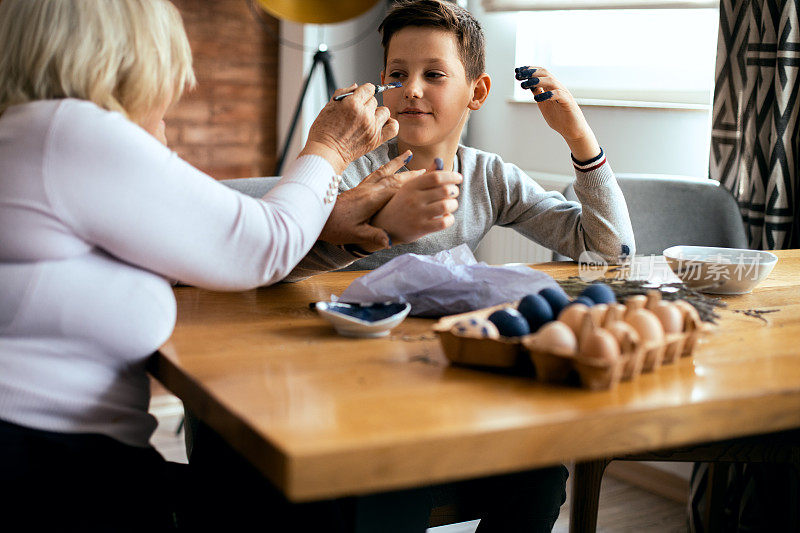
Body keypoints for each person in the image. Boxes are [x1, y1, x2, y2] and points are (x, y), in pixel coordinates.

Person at [0, 0, 461, 530]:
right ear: (122, 53)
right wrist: (331, 148)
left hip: (57, 457)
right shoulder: (68, 128)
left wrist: (331, 226)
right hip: (48, 472)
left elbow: (204, 250)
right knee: (316, 501)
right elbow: (258, 246)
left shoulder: (28, 133)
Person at [288, 0, 635, 281]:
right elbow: (281, 263)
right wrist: (375, 229)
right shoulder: (350, 171)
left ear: (478, 91)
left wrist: (579, 138)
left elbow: (610, 251)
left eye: (434, 74)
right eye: (397, 75)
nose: (411, 89)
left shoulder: (490, 179)